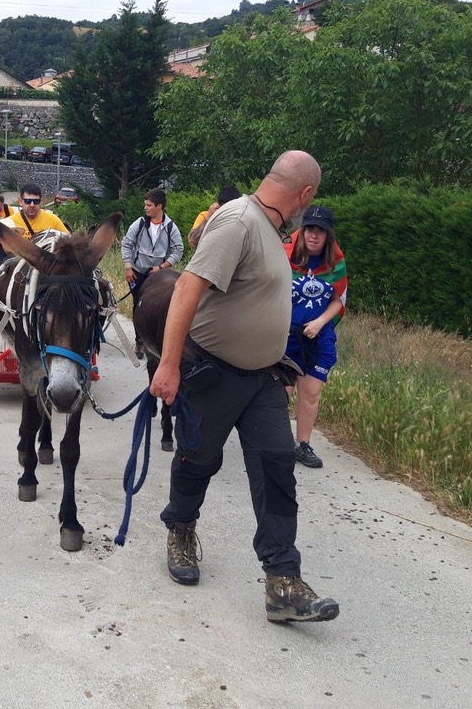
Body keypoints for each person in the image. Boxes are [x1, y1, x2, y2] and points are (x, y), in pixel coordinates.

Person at [149, 150, 340, 623]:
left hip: (264, 379)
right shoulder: (238, 221)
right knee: (199, 461)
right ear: (306, 194)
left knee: (277, 466)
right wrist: (168, 365)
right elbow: (187, 289)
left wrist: (279, 358)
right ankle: (181, 530)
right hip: (214, 373)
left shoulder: (271, 232)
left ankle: (283, 582)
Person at [283, 205, 348, 470]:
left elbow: (338, 300)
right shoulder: (285, 256)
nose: (314, 235)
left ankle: (303, 445)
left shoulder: (336, 263)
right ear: (303, 230)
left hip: (317, 338)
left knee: (311, 392)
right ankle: (279, 441)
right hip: (285, 335)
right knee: (281, 391)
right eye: (310, 228)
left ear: (328, 235)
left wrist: (321, 322)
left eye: (320, 231)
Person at [121, 188, 184, 358]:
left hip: (158, 275)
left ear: (159, 206)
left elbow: (178, 250)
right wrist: (128, 266)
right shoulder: (139, 223)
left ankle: (157, 338)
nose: (146, 208)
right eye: (145, 205)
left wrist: (162, 267)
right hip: (137, 272)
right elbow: (127, 244)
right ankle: (140, 341)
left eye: (149, 205)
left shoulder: (170, 227)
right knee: (138, 304)